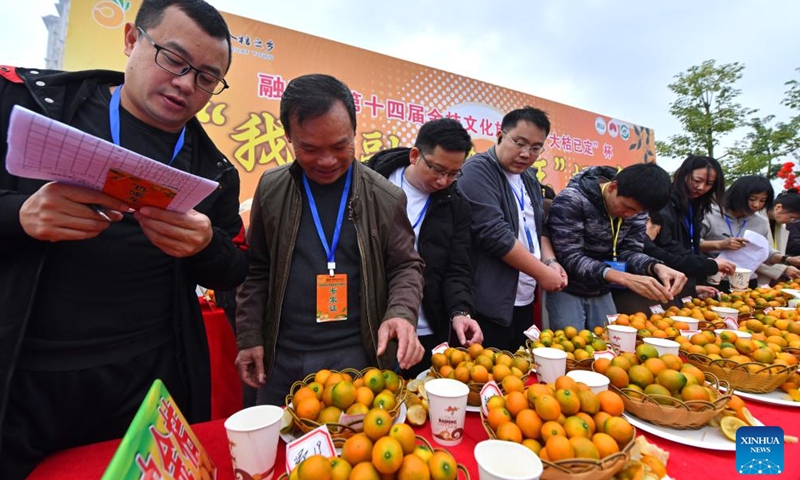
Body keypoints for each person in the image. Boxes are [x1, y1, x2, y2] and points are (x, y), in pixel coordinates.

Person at [0, 1, 247, 478]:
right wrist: (19, 215)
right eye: (173, 60)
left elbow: (232, 270)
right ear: (132, 39)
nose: (185, 84)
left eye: (205, 78)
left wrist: (204, 246)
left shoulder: (213, 169)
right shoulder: (27, 105)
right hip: (22, 373)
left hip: (145, 378)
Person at [235, 74, 425, 405]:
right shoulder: (272, 187)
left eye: (340, 146)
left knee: (355, 454)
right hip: (282, 357)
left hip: (357, 357)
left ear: (354, 132)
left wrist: (400, 313)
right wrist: (250, 335)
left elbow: (406, 265)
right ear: (288, 137)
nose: (326, 161)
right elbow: (256, 268)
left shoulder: (384, 196)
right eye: (309, 148)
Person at [367, 118, 483, 378]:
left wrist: (460, 311)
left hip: (425, 330)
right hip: (368, 326)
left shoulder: (456, 206)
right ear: (415, 155)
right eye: (437, 169)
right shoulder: (371, 184)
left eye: (454, 174)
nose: (443, 181)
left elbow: (457, 268)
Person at [457, 106, 567, 353]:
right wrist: (541, 272)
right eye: (519, 142)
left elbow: (539, 227)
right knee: (488, 376)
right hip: (488, 303)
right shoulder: (477, 171)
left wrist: (549, 262)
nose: (526, 153)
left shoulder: (529, 178)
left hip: (525, 297)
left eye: (536, 147)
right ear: (500, 135)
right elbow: (494, 234)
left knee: (521, 373)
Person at [546, 164, 687, 331]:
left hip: (603, 288)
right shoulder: (572, 200)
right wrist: (622, 277)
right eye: (628, 207)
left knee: (610, 342)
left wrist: (655, 266)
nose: (630, 215)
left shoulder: (637, 210)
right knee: (570, 348)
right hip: (567, 287)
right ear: (613, 187)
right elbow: (569, 256)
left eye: (639, 212)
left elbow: (629, 251)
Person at [643, 155, 736, 293]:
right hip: (660, 284)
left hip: (681, 283)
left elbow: (688, 247)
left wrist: (693, 286)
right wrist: (706, 265)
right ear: (683, 174)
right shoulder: (663, 203)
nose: (701, 187)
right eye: (697, 180)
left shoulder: (695, 206)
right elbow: (665, 250)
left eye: (709, 184)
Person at [701, 175, 800, 286]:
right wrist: (719, 244)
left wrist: (787, 260)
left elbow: (763, 251)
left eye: (763, 200)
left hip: (745, 281)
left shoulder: (761, 222)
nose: (756, 205)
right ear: (737, 195)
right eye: (752, 199)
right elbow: (691, 244)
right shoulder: (708, 214)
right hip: (712, 279)